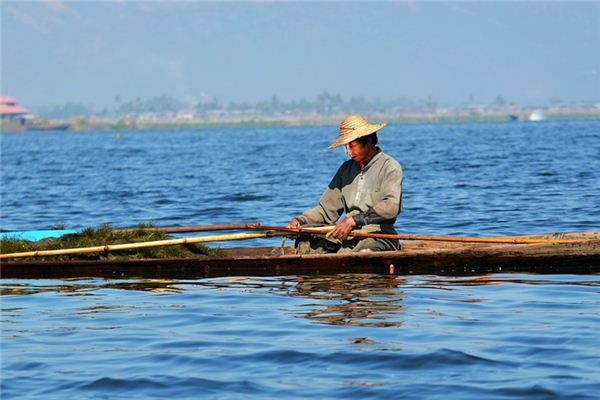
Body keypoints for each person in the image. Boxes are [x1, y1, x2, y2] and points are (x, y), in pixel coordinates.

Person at [286, 114, 403, 254]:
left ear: (369, 142)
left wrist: (354, 220)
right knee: (307, 243)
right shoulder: (346, 169)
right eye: (346, 147)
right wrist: (300, 221)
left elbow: (391, 207)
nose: (348, 152)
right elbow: (325, 210)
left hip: (378, 234)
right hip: (347, 234)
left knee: (365, 252)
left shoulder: (389, 167)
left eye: (352, 146)